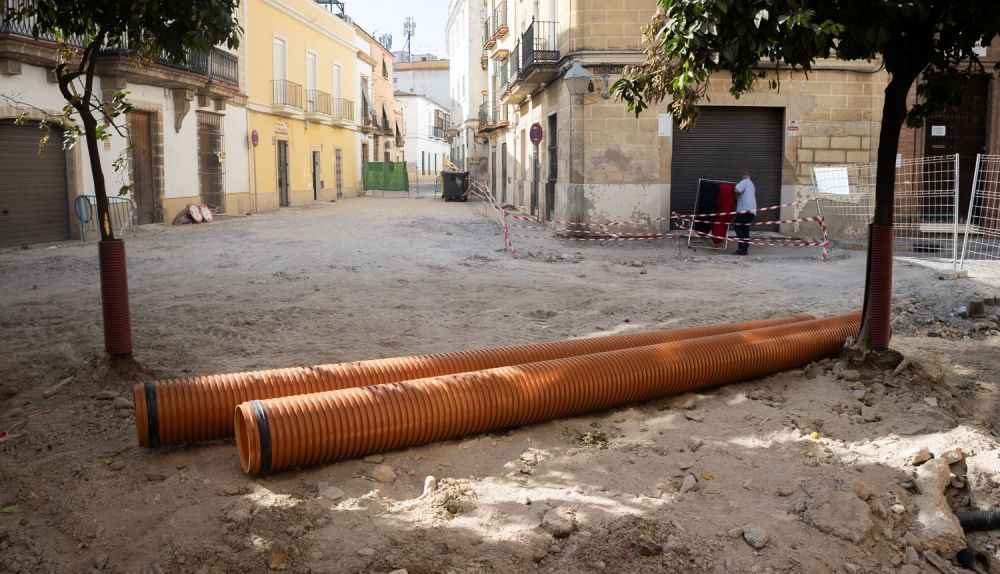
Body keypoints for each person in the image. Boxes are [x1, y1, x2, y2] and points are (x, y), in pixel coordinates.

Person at [733, 171, 757, 255]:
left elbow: (736, 189)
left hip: (744, 209)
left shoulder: (744, 181)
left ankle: (741, 249)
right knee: (745, 229)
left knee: (737, 227)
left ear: (743, 176)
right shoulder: (752, 184)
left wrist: (735, 197)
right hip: (752, 211)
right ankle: (744, 250)